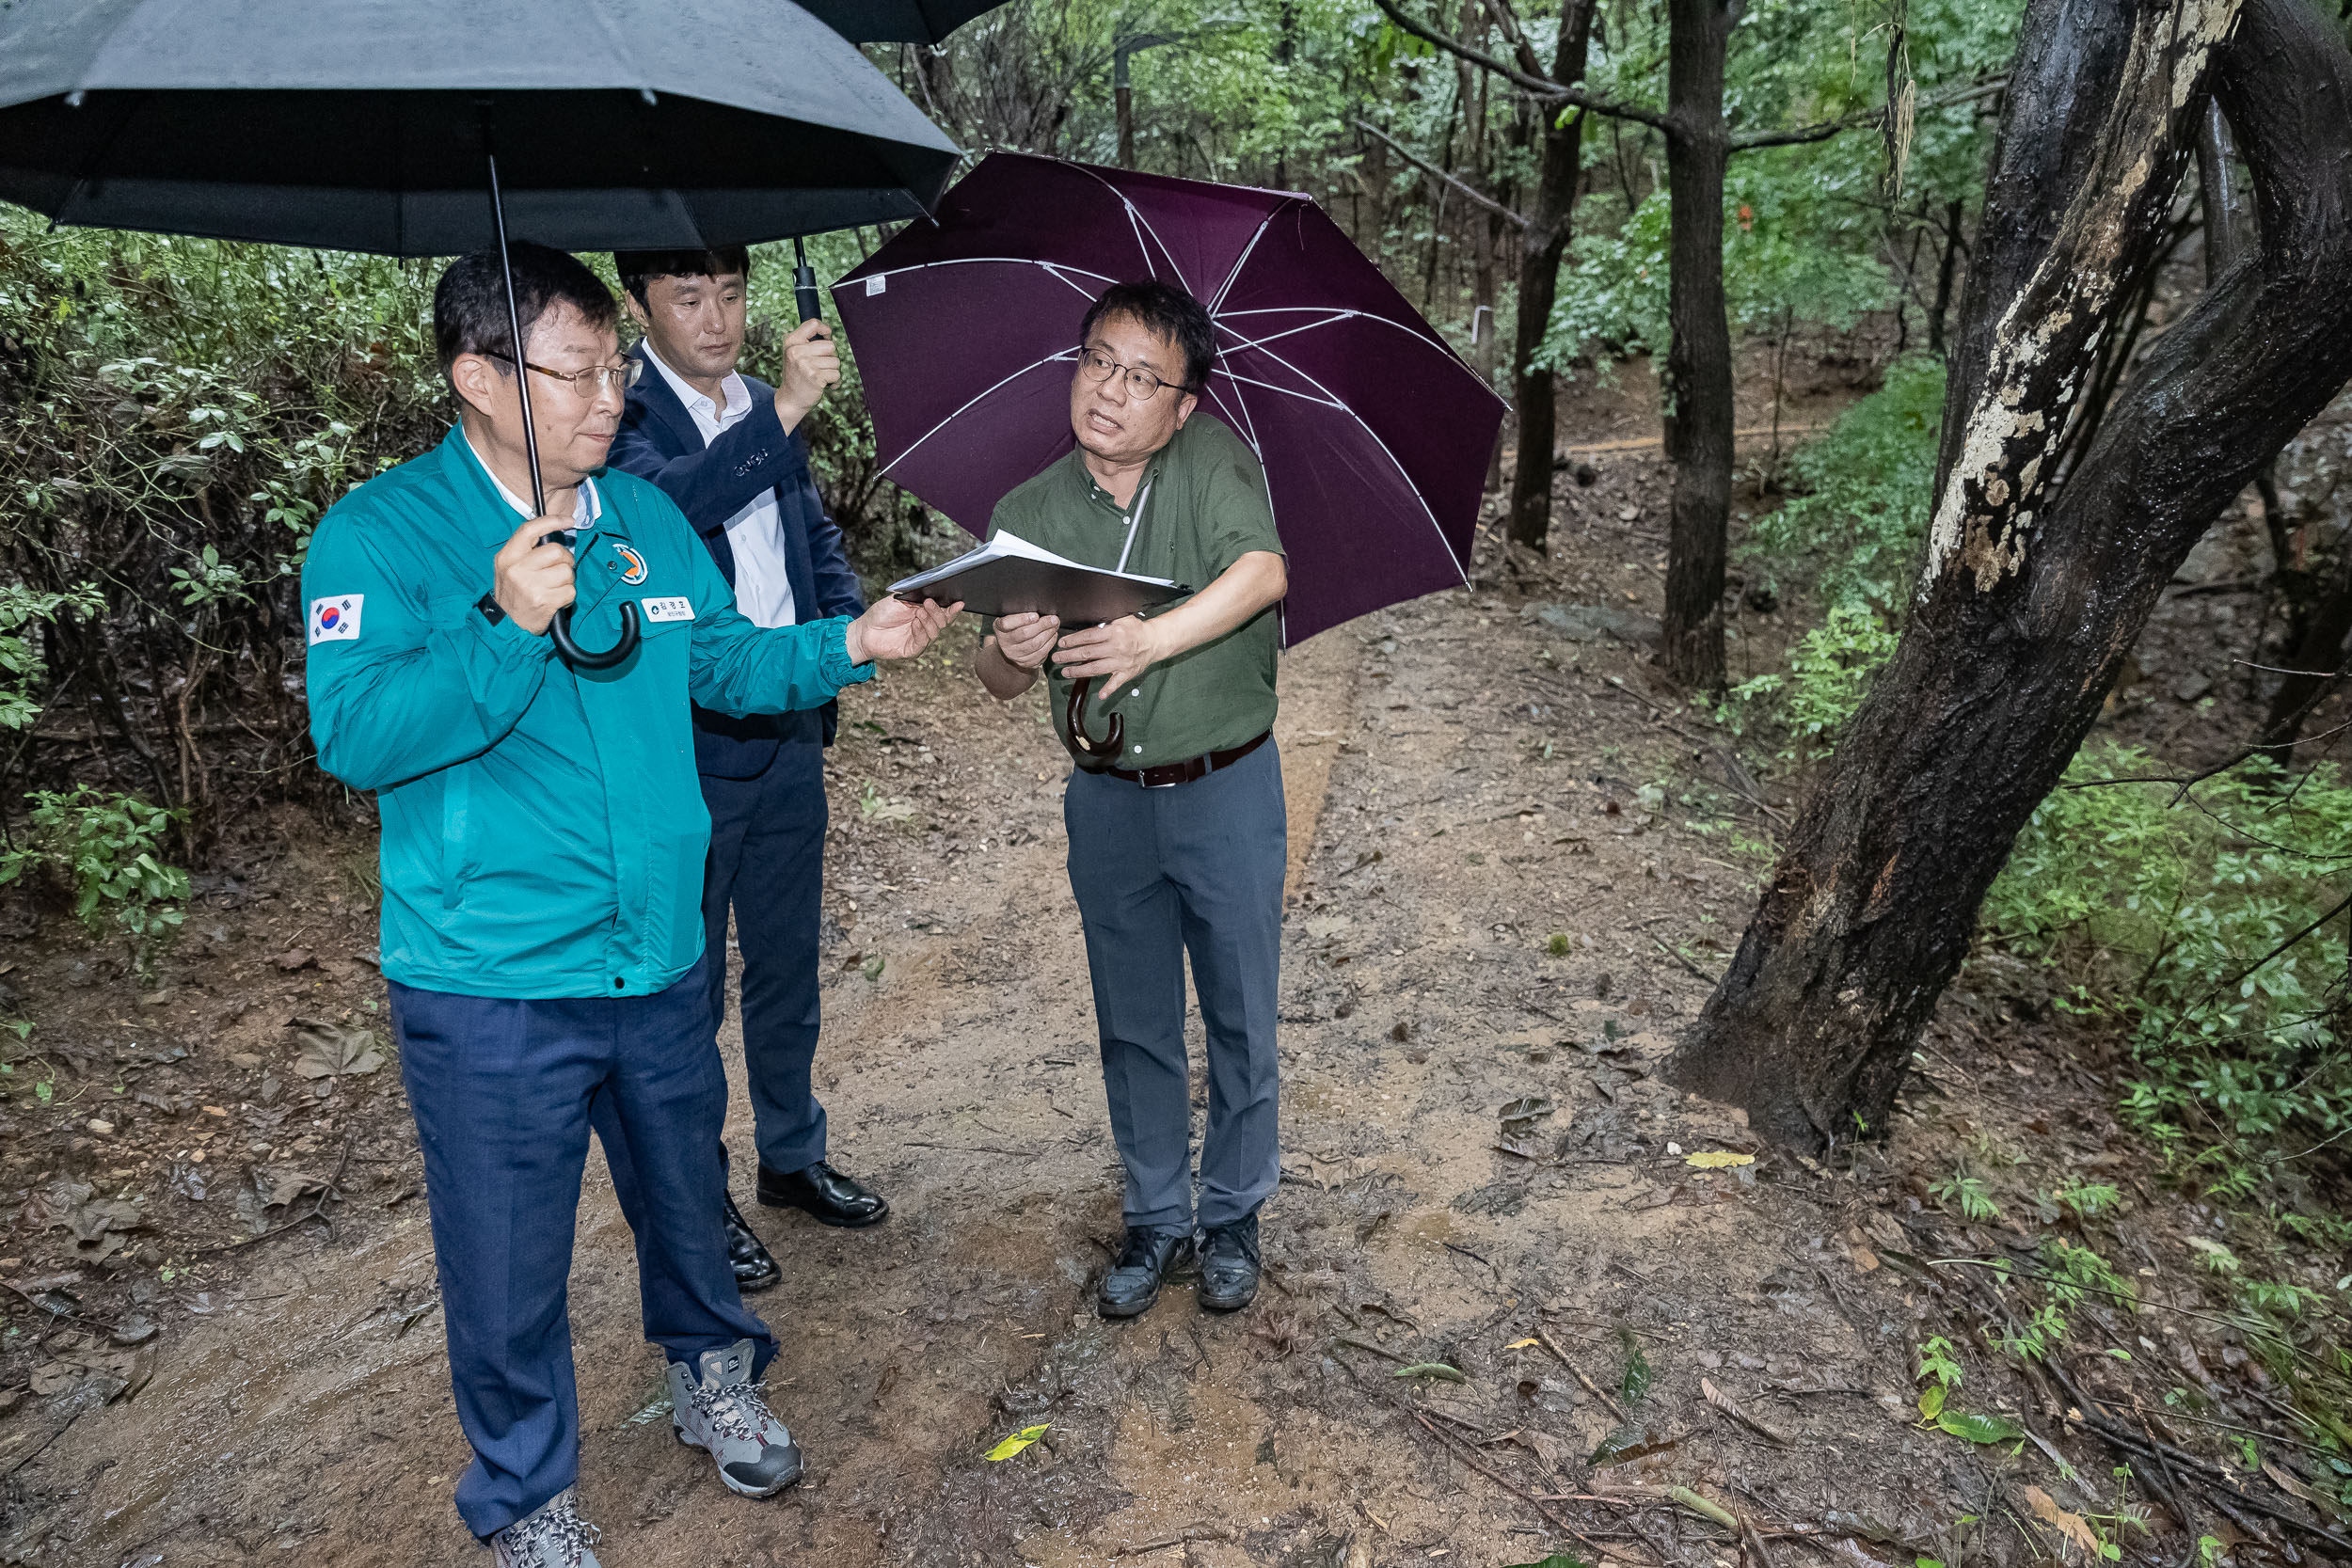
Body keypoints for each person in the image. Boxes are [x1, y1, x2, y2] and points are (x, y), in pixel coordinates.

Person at [301, 242, 955, 1568]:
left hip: (656, 950)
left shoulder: (641, 517)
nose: (612, 395)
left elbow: (716, 656)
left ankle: (714, 1370)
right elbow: (355, 733)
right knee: (505, 1255)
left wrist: (851, 643)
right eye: (581, 369)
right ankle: (526, 1493)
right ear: (477, 376)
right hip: (494, 975)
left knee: (680, 1185)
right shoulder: (378, 533)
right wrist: (500, 619)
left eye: (614, 365)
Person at [972, 279, 1289, 1320]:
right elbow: (997, 676)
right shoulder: (1028, 512)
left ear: (1183, 403)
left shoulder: (1211, 463)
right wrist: (1010, 647)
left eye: (1143, 376)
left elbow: (1261, 571)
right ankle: (1156, 1213)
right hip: (1107, 800)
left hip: (1224, 783)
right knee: (1133, 1017)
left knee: (1239, 1006)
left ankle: (1233, 1209)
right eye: (1098, 359)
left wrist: (1152, 635)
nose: (1110, 389)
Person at [606, 247, 883, 1303]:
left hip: (789, 725)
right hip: (687, 742)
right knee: (688, 985)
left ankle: (790, 1149)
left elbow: (808, 533)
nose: (714, 318)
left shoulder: (763, 400)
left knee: (786, 961)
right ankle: (698, 1191)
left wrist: (838, 630)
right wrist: (786, 416)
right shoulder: (617, 416)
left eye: (728, 293)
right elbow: (670, 514)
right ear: (640, 304)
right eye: (687, 297)